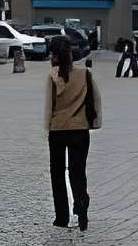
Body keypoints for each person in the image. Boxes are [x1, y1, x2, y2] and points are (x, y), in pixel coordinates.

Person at [44, 39, 99, 230]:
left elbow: (48, 106)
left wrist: (46, 128)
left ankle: (62, 217)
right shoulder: (85, 74)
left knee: (57, 173)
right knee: (78, 172)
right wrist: (93, 124)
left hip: (58, 130)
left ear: (56, 56)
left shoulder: (53, 76)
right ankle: (82, 207)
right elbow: (96, 101)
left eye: (52, 54)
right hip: (80, 131)